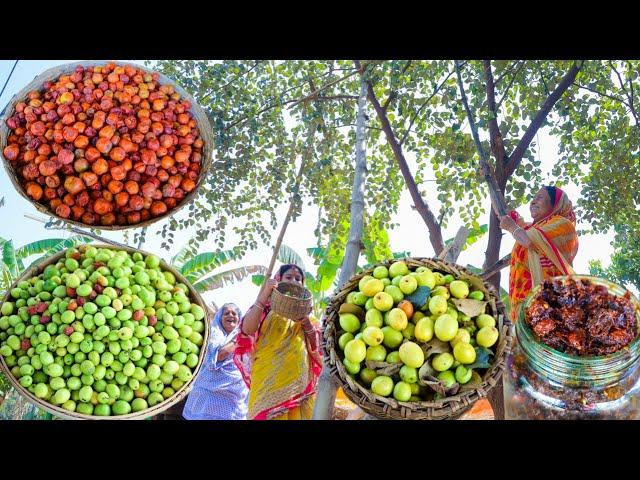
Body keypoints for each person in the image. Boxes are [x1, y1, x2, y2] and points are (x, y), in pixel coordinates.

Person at [234, 264, 322, 420]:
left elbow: (316, 349)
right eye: (289, 277)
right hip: (267, 380)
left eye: (298, 279)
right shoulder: (265, 308)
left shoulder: (309, 318)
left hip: (298, 384)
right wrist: (263, 295)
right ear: (278, 280)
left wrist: (306, 324)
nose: (294, 281)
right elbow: (247, 330)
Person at [499, 186, 579, 322]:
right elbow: (520, 225)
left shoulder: (563, 225)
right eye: (533, 198)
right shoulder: (533, 228)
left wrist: (512, 227)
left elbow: (528, 240)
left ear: (555, 205)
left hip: (546, 304)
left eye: (540, 197)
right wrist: (510, 218)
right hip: (522, 306)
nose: (533, 202)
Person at [182, 303, 249, 420]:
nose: (230, 315)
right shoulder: (213, 334)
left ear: (239, 318)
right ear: (219, 318)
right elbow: (218, 356)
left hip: (233, 400)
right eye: (226, 313)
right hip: (206, 398)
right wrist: (238, 340)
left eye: (234, 313)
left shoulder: (248, 337)